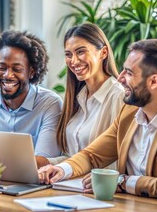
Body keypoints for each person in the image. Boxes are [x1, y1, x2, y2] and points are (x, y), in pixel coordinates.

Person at [38, 39, 157, 201]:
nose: (120, 78)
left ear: (154, 81)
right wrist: (61, 169)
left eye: (129, 72)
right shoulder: (129, 112)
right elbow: (92, 155)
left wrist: (123, 181)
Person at [0, 30, 63, 167]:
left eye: (17, 69)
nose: (7, 75)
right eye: (2, 67)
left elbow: (44, 162)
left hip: (34, 185)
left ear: (31, 72)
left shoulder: (50, 104)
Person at [39, 23, 124, 166]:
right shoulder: (78, 98)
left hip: (102, 187)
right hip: (73, 186)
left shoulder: (118, 96)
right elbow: (73, 158)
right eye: (68, 54)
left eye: (80, 52)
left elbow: (123, 157)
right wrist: (42, 164)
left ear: (103, 52)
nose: (74, 61)